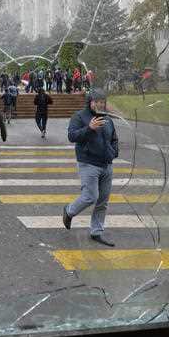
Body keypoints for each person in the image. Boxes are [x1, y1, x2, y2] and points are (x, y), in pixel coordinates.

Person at [62, 88, 118, 247]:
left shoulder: (107, 119)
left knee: (103, 201)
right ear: (90, 102)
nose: (100, 104)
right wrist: (89, 129)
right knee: (90, 196)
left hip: (106, 164)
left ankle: (97, 232)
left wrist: (113, 153)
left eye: (103, 102)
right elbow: (72, 136)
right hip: (88, 163)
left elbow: (114, 138)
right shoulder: (79, 116)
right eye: (97, 101)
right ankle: (69, 211)